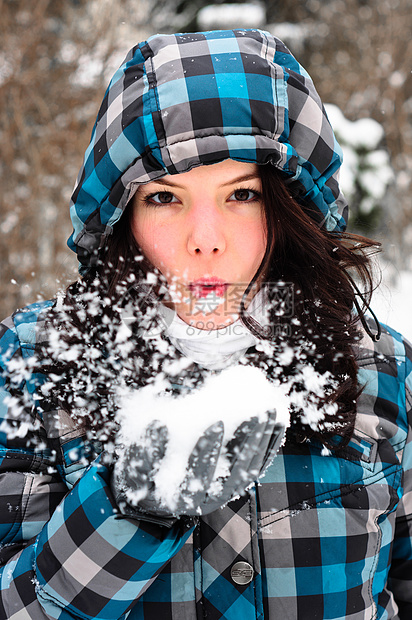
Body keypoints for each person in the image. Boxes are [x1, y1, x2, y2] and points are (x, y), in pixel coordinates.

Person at [0, 28, 411, 620]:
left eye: (241, 195)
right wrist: (126, 510)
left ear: (290, 204)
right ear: (121, 216)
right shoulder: (35, 364)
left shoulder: (381, 369)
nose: (206, 241)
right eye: (165, 198)